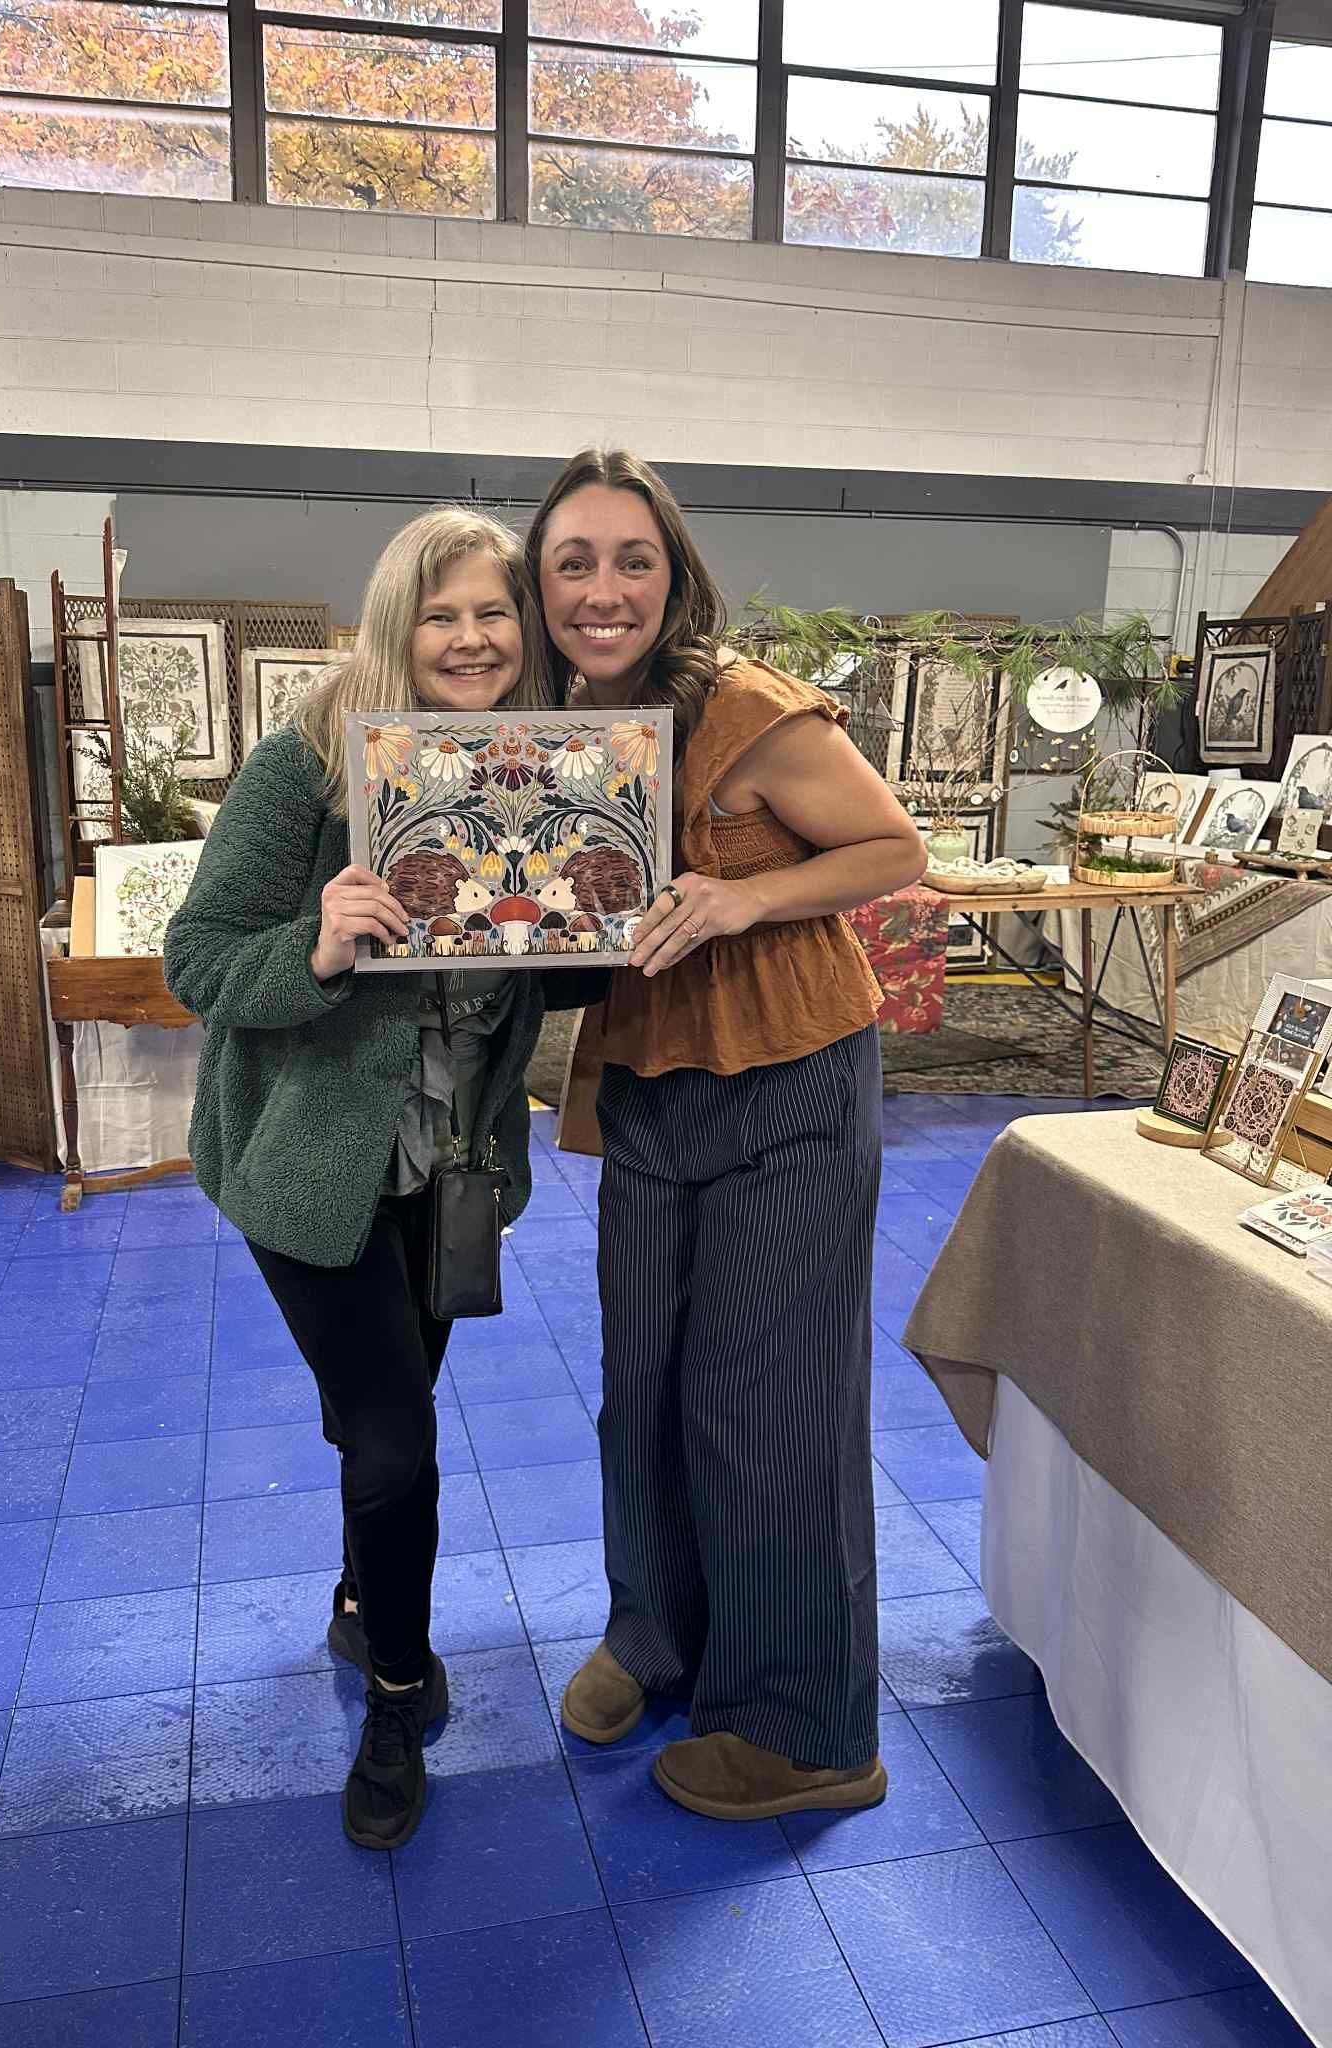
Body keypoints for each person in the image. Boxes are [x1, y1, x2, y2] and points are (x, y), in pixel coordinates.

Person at [164, 506, 580, 1851]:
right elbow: (199, 956)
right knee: (396, 1438)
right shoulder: (312, 761)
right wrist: (320, 942)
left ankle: (359, 1600)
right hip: (311, 1175)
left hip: (454, 1173)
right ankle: (397, 1693)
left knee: (383, 1418)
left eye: (494, 612)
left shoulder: (549, 763)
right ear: (400, 620)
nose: (470, 638)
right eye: (442, 612)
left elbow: (548, 965)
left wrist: (616, 906)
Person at [525, 449, 927, 1822]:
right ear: (540, 582)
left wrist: (747, 901)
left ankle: (807, 1729)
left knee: (769, 1403)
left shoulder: (742, 707)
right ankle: (659, 1639)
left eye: (630, 558)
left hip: (794, 1079)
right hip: (652, 1079)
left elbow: (891, 851)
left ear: (672, 571)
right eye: (573, 561)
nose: (602, 587)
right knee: (646, 1386)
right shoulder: (561, 724)